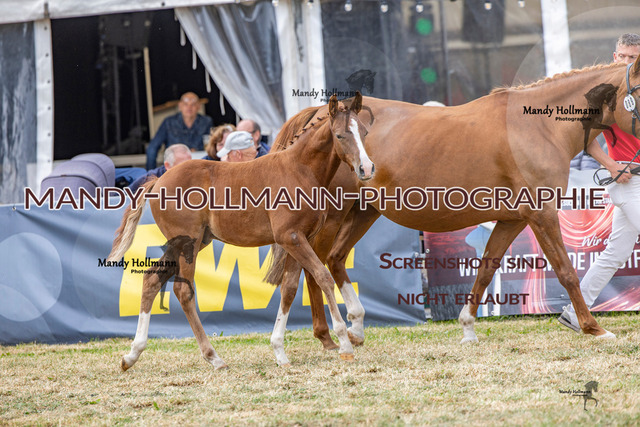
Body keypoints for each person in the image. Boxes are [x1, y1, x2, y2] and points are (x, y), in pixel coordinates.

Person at [559, 33, 640, 334]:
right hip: (627, 181)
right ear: (614, 56)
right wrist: (611, 166)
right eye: (623, 56)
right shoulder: (605, 94)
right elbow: (584, 135)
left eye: (633, 58)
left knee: (615, 253)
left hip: (634, 180)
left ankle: (573, 312)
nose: (626, 62)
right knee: (614, 253)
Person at [146, 92, 213, 170]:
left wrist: (198, 150)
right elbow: (152, 148)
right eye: (185, 104)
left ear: (199, 106)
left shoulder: (206, 122)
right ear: (180, 106)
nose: (189, 107)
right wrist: (151, 173)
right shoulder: (169, 122)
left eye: (193, 104)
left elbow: (210, 145)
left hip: (198, 165)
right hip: (175, 166)